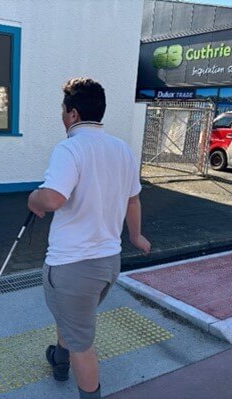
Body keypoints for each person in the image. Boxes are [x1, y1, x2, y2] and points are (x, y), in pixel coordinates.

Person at [28, 77, 151, 399]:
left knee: (83, 343)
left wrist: (33, 199)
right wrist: (136, 237)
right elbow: (133, 199)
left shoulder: (70, 147)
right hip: (109, 263)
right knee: (73, 320)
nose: (62, 116)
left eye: (63, 110)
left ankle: (80, 379)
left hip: (72, 267)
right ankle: (59, 359)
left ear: (72, 114)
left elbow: (52, 198)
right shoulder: (122, 149)